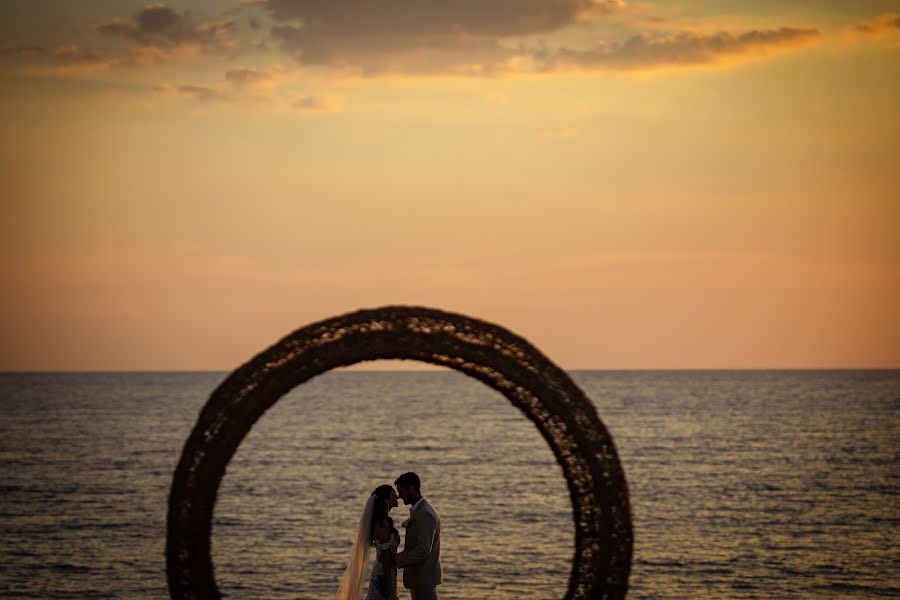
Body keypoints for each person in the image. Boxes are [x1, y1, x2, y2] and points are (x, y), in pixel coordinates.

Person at [335, 485, 401, 600]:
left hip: (383, 569)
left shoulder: (376, 522)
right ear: (386, 500)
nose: (397, 497)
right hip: (385, 572)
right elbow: (385, 556)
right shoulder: (384, 523)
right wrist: (388, 583)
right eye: (393, 495)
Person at [394, 472, 442, 600]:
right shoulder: (419, 510)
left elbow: (423, 549)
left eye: (401, 491)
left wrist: (396, 561)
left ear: (411, 489)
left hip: (423, 579)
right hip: (419, 579)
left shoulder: (425, 513)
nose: (400, 496)